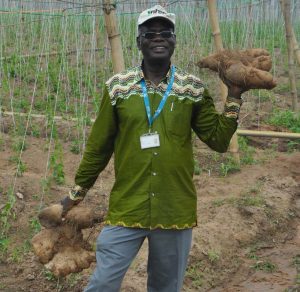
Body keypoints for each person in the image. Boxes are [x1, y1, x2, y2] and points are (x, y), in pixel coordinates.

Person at [60, 5, 245, 292]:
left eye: (165, 33)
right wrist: (75, 194)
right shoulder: (118, 87)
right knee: (103, 283)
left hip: (174, 209)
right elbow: (99, 147)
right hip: (128, 207)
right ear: (139, 42)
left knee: (165, 287)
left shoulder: (192, 89)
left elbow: (218, 140)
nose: (158, 38)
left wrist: (234, 96)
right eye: (150, 33)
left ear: (173, 41)